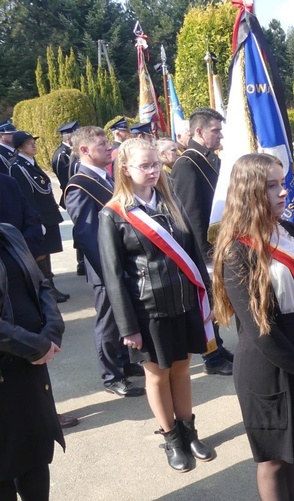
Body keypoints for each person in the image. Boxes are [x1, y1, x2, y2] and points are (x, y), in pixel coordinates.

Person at [212, 153, 294, 501]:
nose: (283, 192)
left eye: (283, 183)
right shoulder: (237, 250)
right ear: (249, 192)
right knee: (274, 461)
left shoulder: (291, 230)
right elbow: (259, 329)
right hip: (269, 369)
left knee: (293, 451)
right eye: (272, 186)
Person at [98, 138, 215, 471]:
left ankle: (189, 432)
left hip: (183, 303)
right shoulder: (113, 215)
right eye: (144, 165)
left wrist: (205, 296)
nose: (153, 171)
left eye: (155, 164)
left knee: (181, 370)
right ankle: (172, 439)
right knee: (157, 376)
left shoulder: (171, 201)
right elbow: (113, 277)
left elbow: (191, 255)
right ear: (125, 169)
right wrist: (127, 327)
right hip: (147, 311)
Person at [65, 126, 146, 397]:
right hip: (104, 267)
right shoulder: (79, 185)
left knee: (124, 315)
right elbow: (87, 235)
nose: (108, 147)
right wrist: (109, 273)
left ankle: (123, 362)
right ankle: (112, 375)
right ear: (85, 150)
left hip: (120, 262)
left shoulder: (105, 177)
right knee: (109, 320)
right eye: (101, 144)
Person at [0, 222, 66, 500]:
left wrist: (52, 330)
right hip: (10, 366)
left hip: (29, 369)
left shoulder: (9, 232)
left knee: (35, 456)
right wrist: (35, 345)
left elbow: (42, 285)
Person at [171, 107, 234, 376]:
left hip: (217, 242)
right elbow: (192, 216)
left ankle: (217, 346)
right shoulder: (187, 165)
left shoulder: (210, 159)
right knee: (206, 303)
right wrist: (204, 254)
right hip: (203, 247)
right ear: (198, 131)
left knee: (215, 301)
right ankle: (212, 356)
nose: (220, 136)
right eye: (215, 130)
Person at [9, 131, 69, 303]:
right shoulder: (18, 167)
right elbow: (27, 197)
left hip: (47, 214)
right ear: (20, 147)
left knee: (47, 252)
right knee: (40, 254)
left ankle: (50, 287)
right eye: (29, 143)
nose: (34, 145)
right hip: (39, 217)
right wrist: (35, 221)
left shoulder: (30, 163)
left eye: (33, 142)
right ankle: (46, 291)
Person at [52, 120, 86, 275]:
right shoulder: (61, 155)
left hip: (79, 196)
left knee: (83, 227)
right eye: (75, 133)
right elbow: (65, 180)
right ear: (67, 136)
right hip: (73, 197)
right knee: (81, 227)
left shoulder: (73, 152)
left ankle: (83, 261)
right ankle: (81, 262)